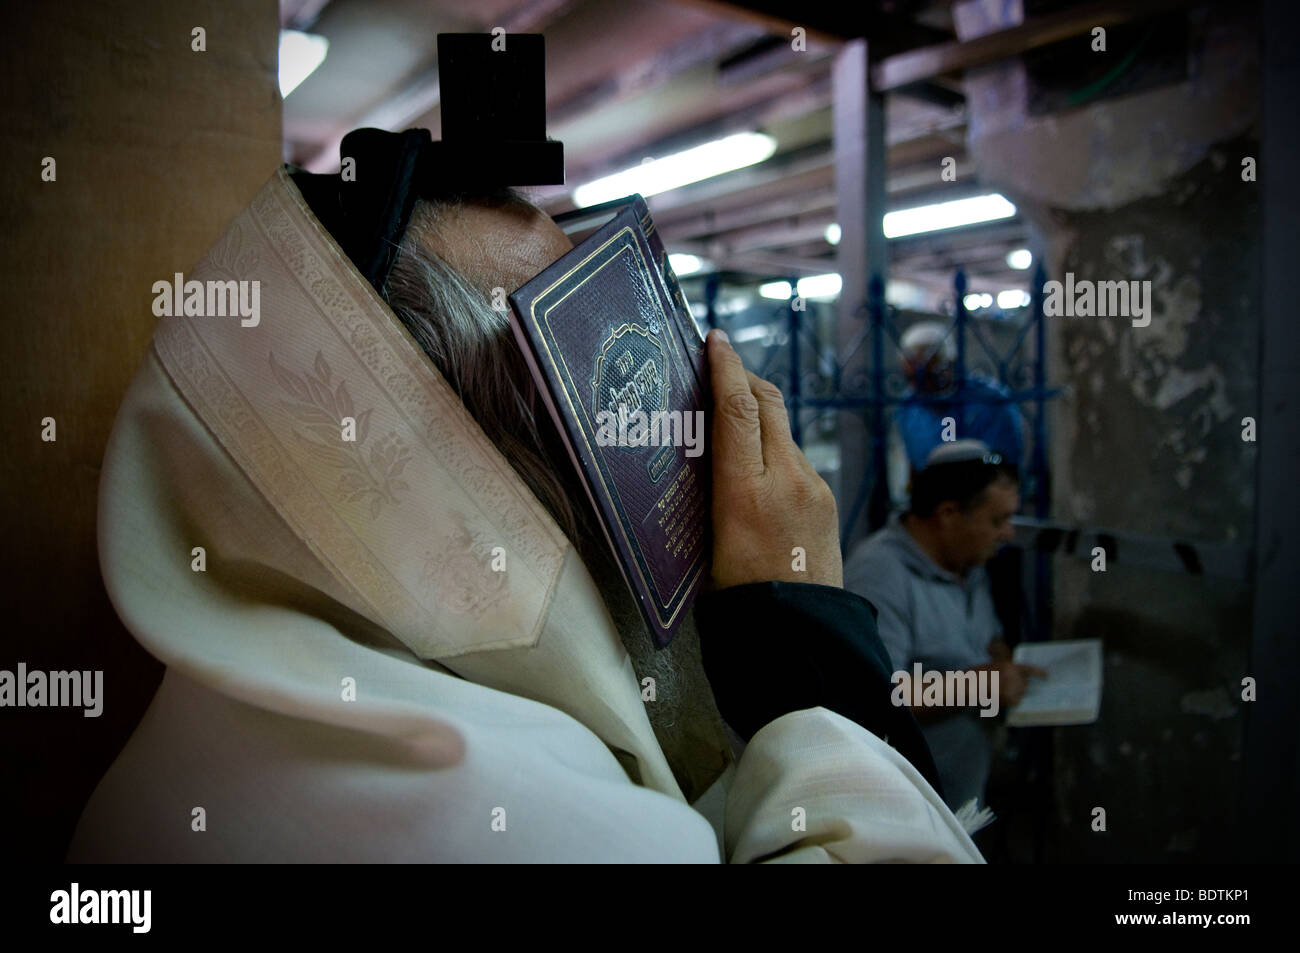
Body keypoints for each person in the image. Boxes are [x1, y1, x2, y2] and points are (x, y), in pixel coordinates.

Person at [67, 165, 982, 863]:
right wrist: (817, 662)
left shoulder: (209, 726)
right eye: (564, 368)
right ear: (443, 477)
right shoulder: (529, 828)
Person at [844, 440, 1045, 812]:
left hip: (961, 786)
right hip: (909, 806)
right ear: (949, 513)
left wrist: (1004, 664)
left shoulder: (967, 560)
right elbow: (879, 692)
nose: (1007, 534)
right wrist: (983, 684)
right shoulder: (879, 572)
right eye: (997, 520)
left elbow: (988, 637)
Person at [895, 322, 1025, 475]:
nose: (919, 386)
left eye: (928, 375)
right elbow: (914, 465)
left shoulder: (990, 401)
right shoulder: (909, 407)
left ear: (950, 363)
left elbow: (1005, 464)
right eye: (911, 377)